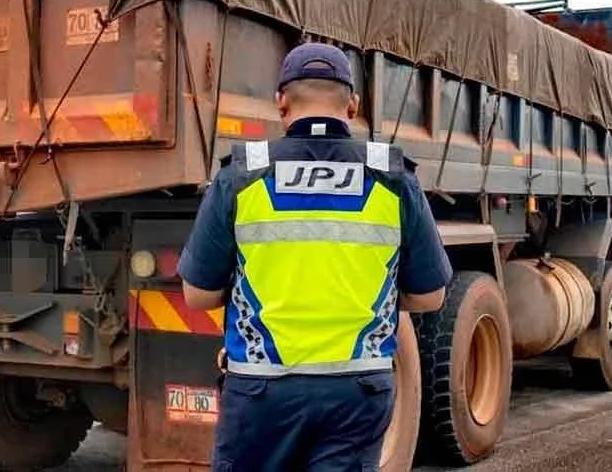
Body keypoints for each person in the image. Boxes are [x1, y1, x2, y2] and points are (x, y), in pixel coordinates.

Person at [178, 41, 452, 471]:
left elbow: (196, 294)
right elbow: (431, 296)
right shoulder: (393, 177)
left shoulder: (243, 175)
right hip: (357, 393)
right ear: (353, 105)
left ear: (281, 103)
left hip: (261, 391)